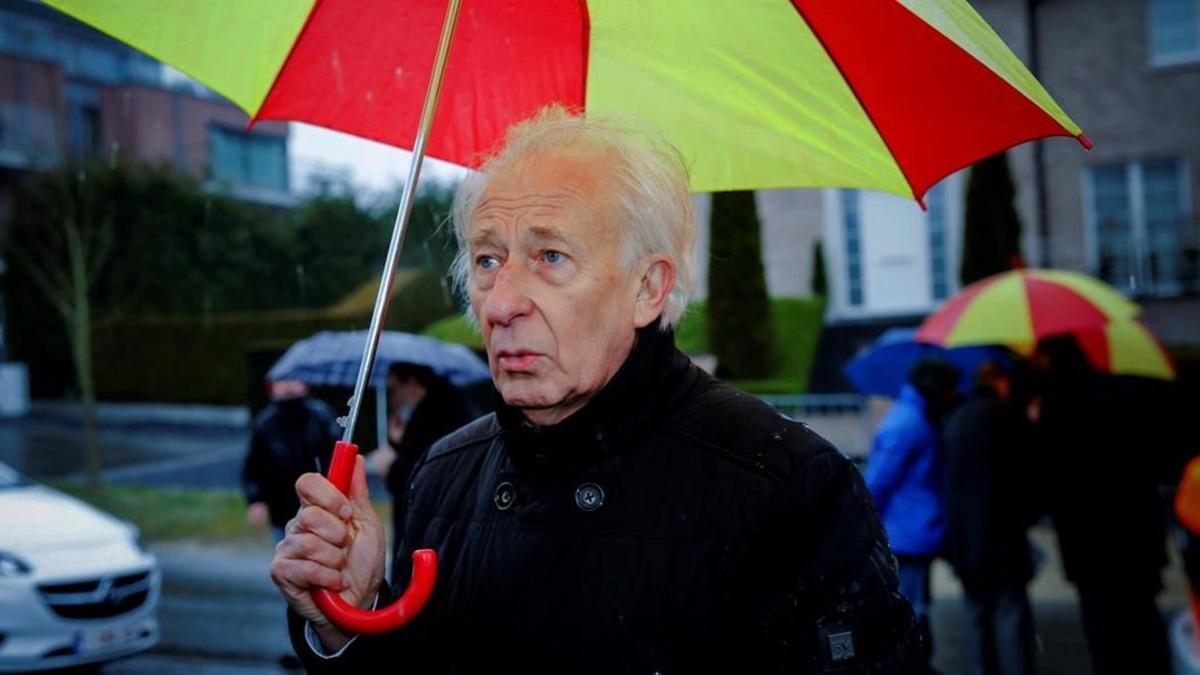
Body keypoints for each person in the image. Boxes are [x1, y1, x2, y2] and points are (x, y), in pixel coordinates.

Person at [270, 106, 923, 673]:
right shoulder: (442, 474)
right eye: (487, 259)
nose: (500, 303)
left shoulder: (788, 485)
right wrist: (352, 618)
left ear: (649, 287)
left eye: (551, 257)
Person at [1030, 335, 1179, 675]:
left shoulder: (1055, 405)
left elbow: (1049, 472)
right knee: (1143, 617)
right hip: (1136, 527)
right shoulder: (1124, 391)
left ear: (1051, 361)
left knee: (1104, 626)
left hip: (1089, 537)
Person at [942, 363, 1039, 675]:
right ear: (999, 382)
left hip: (966, 541)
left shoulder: (955, 420)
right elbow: (1029, 474)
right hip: (1005, 536)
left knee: (976, 615)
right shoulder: (1008, 416)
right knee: (1010, 614)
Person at [865, 356, 960, 663]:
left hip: (909, 527)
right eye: (949, 389)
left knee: (914, 604)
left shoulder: (910, 416)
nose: (953, 395)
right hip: (910, 530)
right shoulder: (910, 423)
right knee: (913, 607)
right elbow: (879, 481)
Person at [377, 362, 473, 548]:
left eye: (394, 389)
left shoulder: (433, 422)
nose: (392, 399)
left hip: (431, 537)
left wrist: (391, 466)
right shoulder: (448, 411)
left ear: (412, 383)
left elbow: (416, 477)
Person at [243, 378, 340, 544]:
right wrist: (256, 499)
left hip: (319, 507)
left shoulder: (321, 418)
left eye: (293, 379)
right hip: (281, 511)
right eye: (282, 380)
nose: (288, 385)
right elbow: (253, 466)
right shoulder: (265, 424)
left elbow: (334, 456)